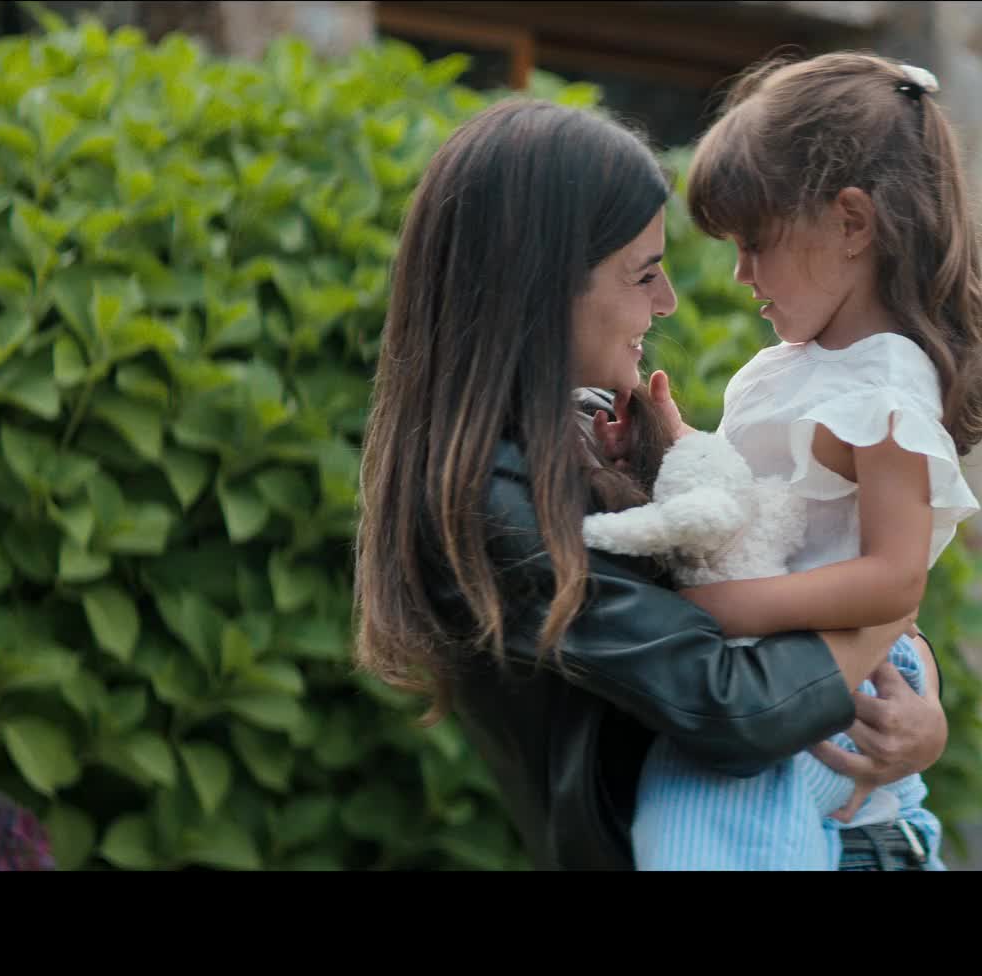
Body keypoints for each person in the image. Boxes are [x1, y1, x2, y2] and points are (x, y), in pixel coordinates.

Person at [352, 97, 949, 871]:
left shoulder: (577, 440)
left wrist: (919, 698)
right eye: (643, 275)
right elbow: (733, 702)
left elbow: (782, 569)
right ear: (540, 289)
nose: (667, 302)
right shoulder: (497, 503)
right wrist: (889, 611)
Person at [610, 51, 982, 871]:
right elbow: (762, 509)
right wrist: (673, 445)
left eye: (755, 242)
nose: (740, 272)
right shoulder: (797, 368)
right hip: (794, 660)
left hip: (835, 671)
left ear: (852, 224)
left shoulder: (884, 382)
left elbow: (895, 580)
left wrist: (720, 610)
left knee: (698, 820)